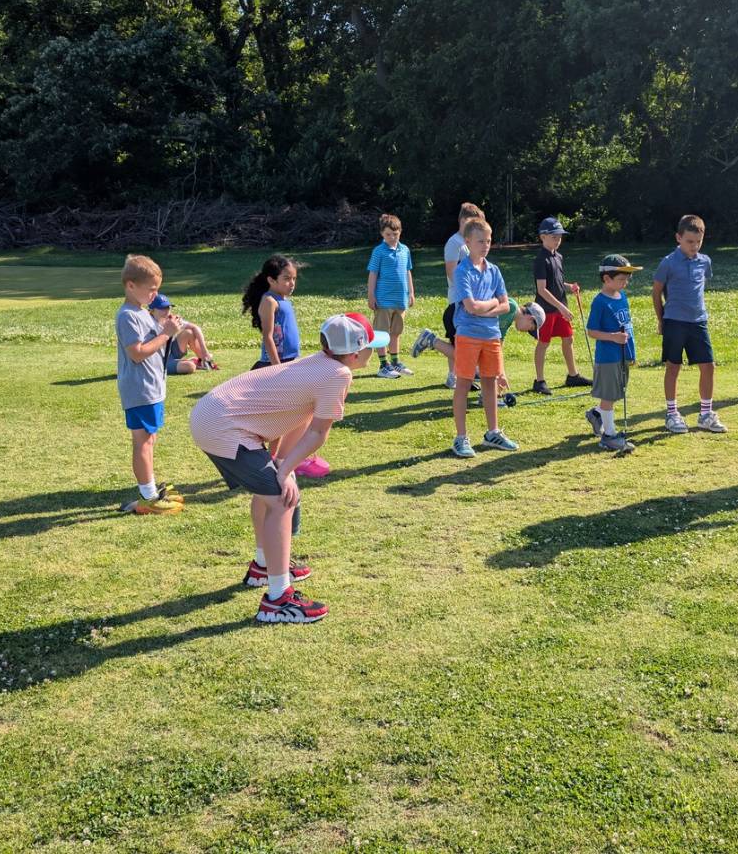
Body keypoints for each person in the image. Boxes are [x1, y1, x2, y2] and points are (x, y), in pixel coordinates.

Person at [190, 314, 389, 623]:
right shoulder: (338, 373)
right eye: (370, 346)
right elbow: (318, 433)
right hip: (223, 426)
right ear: (354, 354)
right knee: (282, 499)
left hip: (212, 415)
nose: (374, 351)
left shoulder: (321, 363)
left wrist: (283, 462)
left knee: (270, 493)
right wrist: (283, 474)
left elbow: (300, 416)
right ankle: (277, 598)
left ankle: (264, 565)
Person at [242, 255, 327, 482]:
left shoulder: (284, 300)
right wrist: (277, 369)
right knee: (280, 416)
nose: (292, 283)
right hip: (274, 366)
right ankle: (274, 457)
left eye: (294, 279)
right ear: (271, 280)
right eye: (286, 278)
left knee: (291, 414)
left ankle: (278, 456)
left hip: (290, 363)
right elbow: (268, 337)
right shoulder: (270, 301)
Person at [116, 255, 185, 515]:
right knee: (142, 442)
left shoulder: (142, 313)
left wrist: (167, 328)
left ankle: (151, 489)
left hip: (152, 387)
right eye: (151, 289)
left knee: (149, 439)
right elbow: (137, 353)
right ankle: (148, 497)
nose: (155, 295)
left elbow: (154, 343)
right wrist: (166, 334)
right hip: (140, 389)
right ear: (131, 285)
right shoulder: (127, 316)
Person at [652, 215, 727, 435]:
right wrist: (661, 319)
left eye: (698, 242)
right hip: (674, 321)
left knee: (709, 366)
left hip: (698, 322)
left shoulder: (705, 261)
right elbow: (656, 292)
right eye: (689, 241)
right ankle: (672, 414)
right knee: (673, 367)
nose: (694, 246)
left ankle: (706, 414)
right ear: (679, 238)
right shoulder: (668, 262)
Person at [450, 218, 519, 458]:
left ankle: (493, 433)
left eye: (488, 241)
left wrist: (485, 307)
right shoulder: (462, 271)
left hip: (492, 335)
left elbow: (506, 305)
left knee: (490, 383)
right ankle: (461, 438)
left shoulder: (494, 270)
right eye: (480, 241)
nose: (485, 245)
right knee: (464, 384)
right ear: (468, 242)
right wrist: (492, 303)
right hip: (468, 334)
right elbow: (471, 307)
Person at [411, 299, 546, 405]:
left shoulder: (509, 316)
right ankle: (430, 340)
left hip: (461, 318)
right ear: (530, 318)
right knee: (469, 358)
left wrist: (501, 373)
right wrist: (498, 373)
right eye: (531, 328)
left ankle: (486, 395)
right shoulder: (510, 307)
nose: (526, 331)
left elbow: (498, 346)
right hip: (458, 316)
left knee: (473, 359)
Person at [584, 255, 641, 452]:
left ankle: (596, 414)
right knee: (609, 396)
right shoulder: (600, 302)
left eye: (627, 279)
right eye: (622, 279)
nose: (626, 283)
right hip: (608, 357)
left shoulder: (622, 296)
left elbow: (626, 326)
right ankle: (609, 436)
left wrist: (630, 352)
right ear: (607, 279)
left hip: (623, 354)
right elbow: (591, 331)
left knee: (616, 392)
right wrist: (613, 337)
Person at [530, 216, 592, 395]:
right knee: (544, 343)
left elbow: (557, 282)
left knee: (568, 339)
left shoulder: (558, 256)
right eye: (554, 237)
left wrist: (569, 286)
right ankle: (539, 381)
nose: (557, 240)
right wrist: (561, 307)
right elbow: (542, 289)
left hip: (559, 307)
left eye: (559, 236)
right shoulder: (541, 260)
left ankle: (573, 375)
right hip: (546, 310)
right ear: (543, 237)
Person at [441, 202, 485, 389]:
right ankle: (454, 376)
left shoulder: (471, 243)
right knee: (457, 340)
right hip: (458, 299)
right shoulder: (455, 243)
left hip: (471, 299)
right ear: (462, 220)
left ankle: (463, 375)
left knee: (465, 340)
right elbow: (452, 272)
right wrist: (466, 294)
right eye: (471, 222)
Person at [367, 213, 415, 378]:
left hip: (400, 300)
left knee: (396, 332)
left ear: (400, 232)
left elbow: (408, 272)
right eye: (388, 234)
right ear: (382, 233)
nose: (392, 237)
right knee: (382, 333)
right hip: (383, 300)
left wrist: (411, 293)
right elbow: (373, 274)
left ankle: (395, 362)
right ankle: (383, 365)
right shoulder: (378, 251)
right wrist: (371, 295)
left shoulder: (405, 250)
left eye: (395, 234)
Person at [148, 293, 219, 374]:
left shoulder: (171, 319)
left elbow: (195, 328)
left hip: (171, 352)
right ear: (152, 310)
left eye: (168, 307)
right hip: (158, 360)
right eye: (162, 308)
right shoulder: (146, 322)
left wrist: (205, 352)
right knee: (190, 366)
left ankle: (204, 360)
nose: (166, 311)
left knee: (189, 332)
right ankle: (193, 362)